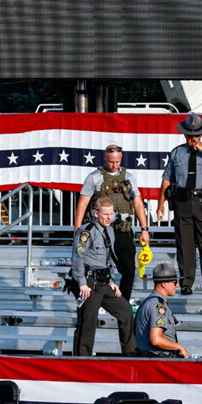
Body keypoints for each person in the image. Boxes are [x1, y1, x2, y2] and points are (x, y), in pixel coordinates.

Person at [157, 112, 202, 296]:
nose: (193, 138)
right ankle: (186, 283)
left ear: (201, 135)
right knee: (184, 245)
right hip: (182, 202)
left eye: (196, 135)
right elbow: (167, 179)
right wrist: (161, 204)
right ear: (184, 135)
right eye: (190, 135)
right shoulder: (177, 152)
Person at [74, 144, 150, 302]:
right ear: (105, 158)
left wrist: (144, 229)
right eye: (110, 162)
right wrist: (77, 230)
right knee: (100, 269)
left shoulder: (129, 178)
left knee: (128, 271)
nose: (114, 165)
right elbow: (82, 204)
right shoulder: (94, 177)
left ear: (121, 158)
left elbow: (137, 203)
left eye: (116, 162)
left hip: (123, 229)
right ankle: (100, 301)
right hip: (100, 232)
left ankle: (122, 303)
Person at [72, 197, 137, 357]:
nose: (109, 217)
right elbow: (77, 258)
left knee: (126, 311)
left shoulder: (109, 230)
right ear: (96, 213)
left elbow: (109, 258)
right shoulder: (85, 232)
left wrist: (112, 281)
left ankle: (130, 354)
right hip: (88, 281)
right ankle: (81, 360)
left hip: (103, 281)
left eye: (112, 213)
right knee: (88, 322)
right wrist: (81, 283)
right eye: (105, 214)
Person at [135, 263, 188, 358]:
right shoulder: (159, 306)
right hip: (159, 360)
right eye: (175, 282)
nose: (177, 286)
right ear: (164, 284)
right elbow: (156, 339)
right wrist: (179, 347)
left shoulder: (148, 302)